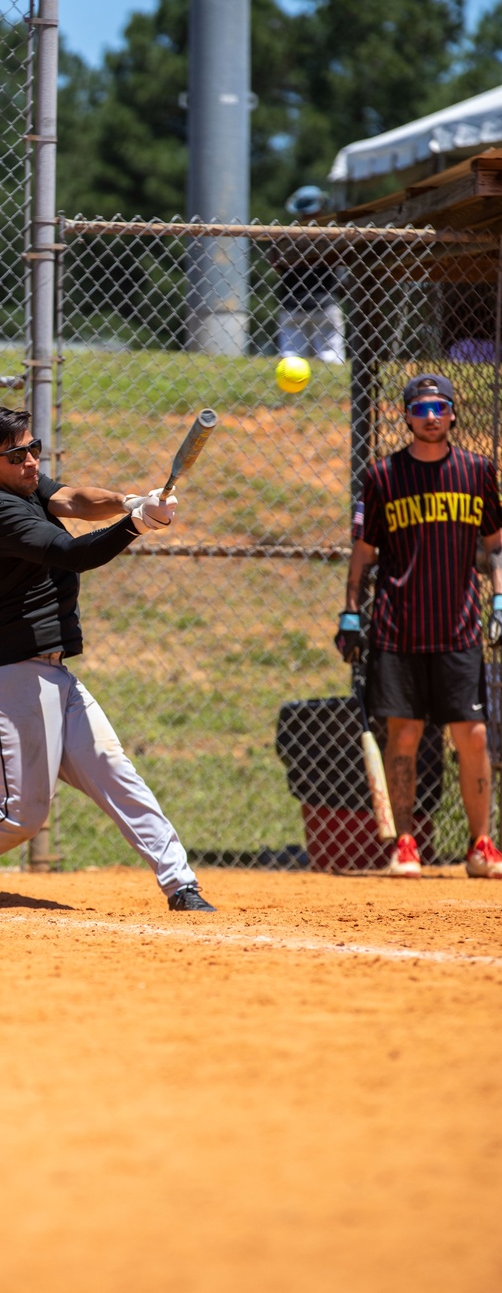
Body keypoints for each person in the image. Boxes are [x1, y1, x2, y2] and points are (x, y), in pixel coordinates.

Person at [0, 407, 215, 911]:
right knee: (22, 816)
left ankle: (180, 885)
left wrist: (129, 500)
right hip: (4, 679)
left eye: (35, 449)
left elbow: (73, 499)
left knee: (114, 771)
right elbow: (71, 552)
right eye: (18, 455)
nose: (32, 461)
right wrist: (135, 526)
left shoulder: (26, 486)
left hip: (53, 673)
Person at [336, 374, 502, 878]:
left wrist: (499, 600)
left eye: (440, 407)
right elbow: (364, 553)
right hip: (396, 627)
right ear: (407, 417)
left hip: (458, 628)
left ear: (453, 414)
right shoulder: (383, 476)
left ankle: (482, 845)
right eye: (421, 408)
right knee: (403, 734)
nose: (431, 416)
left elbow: (495, 545)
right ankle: (405, 843)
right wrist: (349, 612)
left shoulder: (477, 472)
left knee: (472, 735)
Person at [276, 186, 345, 365]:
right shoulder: (330, 234)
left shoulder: (286, 235)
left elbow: (275, 264)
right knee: (331, 358)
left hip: (292, 303)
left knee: (290, 357)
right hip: (325, 302)